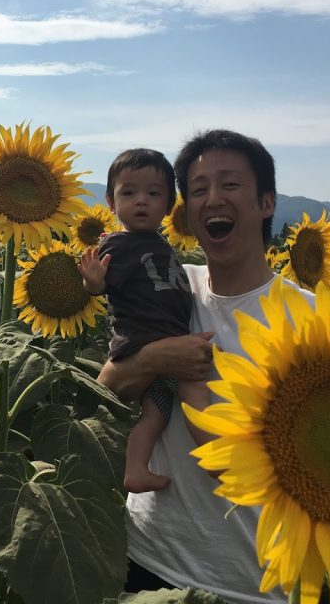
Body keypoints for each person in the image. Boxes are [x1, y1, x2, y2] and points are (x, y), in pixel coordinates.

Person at [97, 129, 315, 602]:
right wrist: (157, 357)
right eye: (198, 189)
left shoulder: (313, 318)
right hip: (150, 560)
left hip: (259, 583)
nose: (213, 197)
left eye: (231, 184)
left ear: (266, 202)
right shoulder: (171, 286)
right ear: (186, 210)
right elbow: (107, 387)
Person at [78, 148, 216, 494]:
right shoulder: (120, 245)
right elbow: (101, 287)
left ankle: (136, 470)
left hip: (161, 340)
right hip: (143, 340)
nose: (141, 201)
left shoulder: (159, 244)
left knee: (155, 415)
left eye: (153, 194)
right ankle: (218, 458)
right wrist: (93, 280)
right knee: (193, 386)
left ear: (169, 206)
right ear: (111, 202)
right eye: (129, 193)